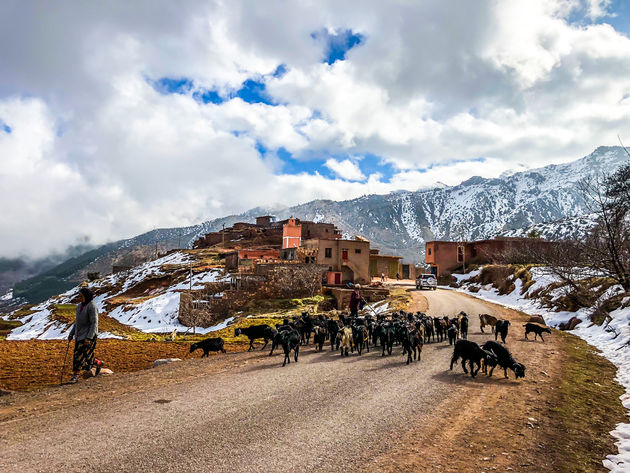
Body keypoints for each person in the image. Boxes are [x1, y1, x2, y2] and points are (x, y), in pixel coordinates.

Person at [67, 287, 103, 383]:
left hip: (88, 336)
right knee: (80, 356)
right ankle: (77, 374)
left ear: (86, 296)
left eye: (81, 296)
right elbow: (77, 322)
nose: (79, 298)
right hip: (79, 335)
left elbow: (94, 323)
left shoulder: (92, 306)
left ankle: (77, 374)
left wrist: (89, 337)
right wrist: (71, 333)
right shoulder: (79, 306)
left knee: (84, 357)